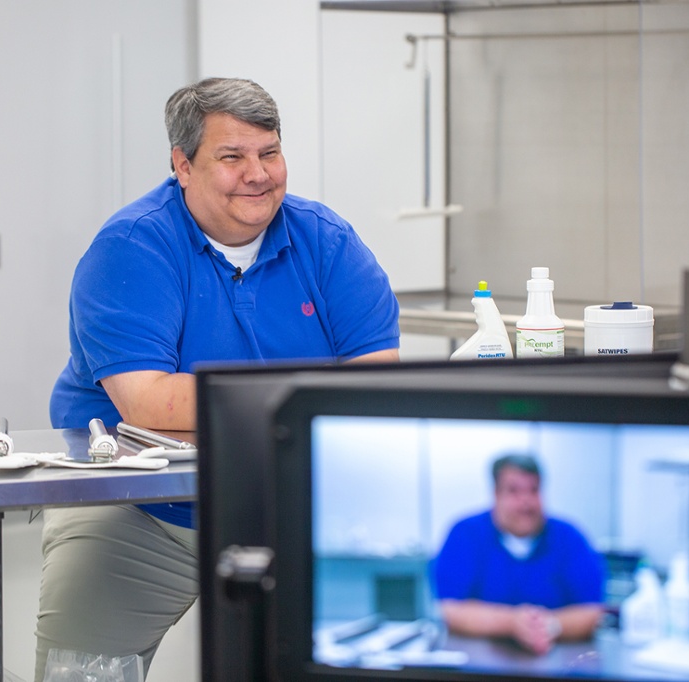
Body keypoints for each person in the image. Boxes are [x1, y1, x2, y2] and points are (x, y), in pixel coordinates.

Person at [35, 77, 400, 679]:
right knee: (80, 671)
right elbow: (147, 401)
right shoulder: (131, 248)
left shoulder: (327, 242)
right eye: (232, 157)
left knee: (365, 651)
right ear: (182, 165)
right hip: (139, 511)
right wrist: (307, 395)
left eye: (269, 152)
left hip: (287, 501)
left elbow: (373, 383)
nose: (258, 174)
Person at [432, 454, 604, 655]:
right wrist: (512, 623)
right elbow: (451, 609)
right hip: (476, 661)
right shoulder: (465, 534)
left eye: (533, 490)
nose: (526, 501)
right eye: (514, 491)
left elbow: (591, 611)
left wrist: (548, 625)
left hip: (557, 661)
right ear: (496, 494)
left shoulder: (569, 538)